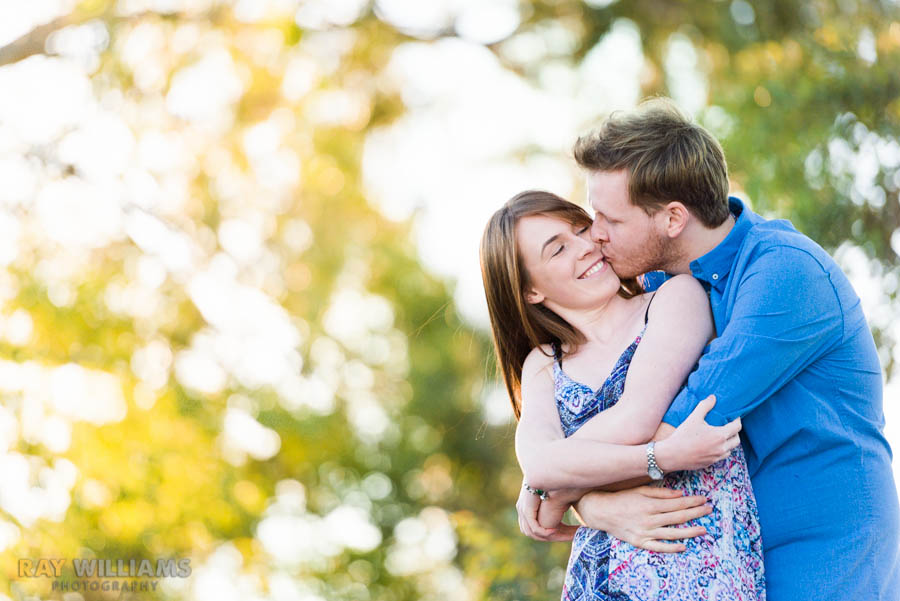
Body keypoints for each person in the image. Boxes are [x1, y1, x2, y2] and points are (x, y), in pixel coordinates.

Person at [517, 99, 899, 601]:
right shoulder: (664, 286)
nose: (597, 237)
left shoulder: (785, 274)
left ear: (673, 218)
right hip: (728, 557)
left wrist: (557, 489)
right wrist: (581, 498)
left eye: (610, 219)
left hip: (824, 560)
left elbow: (667, 432)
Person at [480, 190, 765, 599]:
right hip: (598, 580)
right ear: (530, 292)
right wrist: (657, 459)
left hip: (699, 561)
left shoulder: (673, 297)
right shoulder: (544, 363)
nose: (585, 246)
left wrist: (555, 483)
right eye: (558, 250)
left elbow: (636, 418)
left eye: (581, 230)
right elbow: (540, 463)